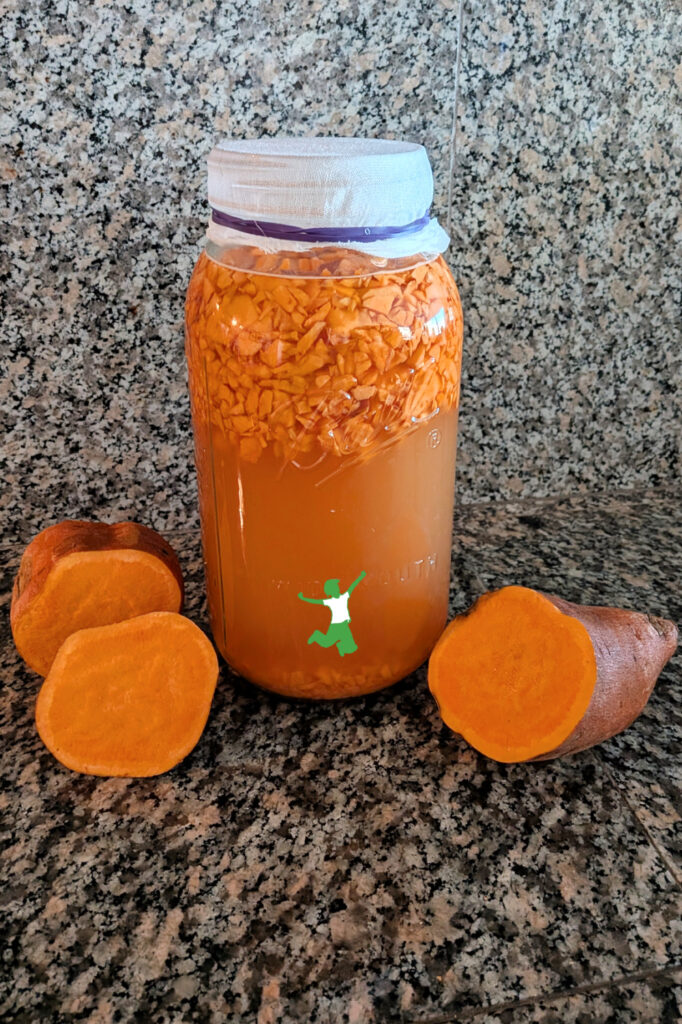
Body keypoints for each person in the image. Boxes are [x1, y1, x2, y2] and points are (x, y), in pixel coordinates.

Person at [297, 571, 367, 657]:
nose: (337, 588)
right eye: (335, 587)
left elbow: (352, 586)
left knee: (352, 647)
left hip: (344, 625)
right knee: (326, 643)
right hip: (336, 626)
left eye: (337, 586)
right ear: (331, 591)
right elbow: (315, 602)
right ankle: (316, 635)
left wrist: (361, 577)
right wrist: (303, 598)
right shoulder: (330, 601)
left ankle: (341, 646)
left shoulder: (344, 596)